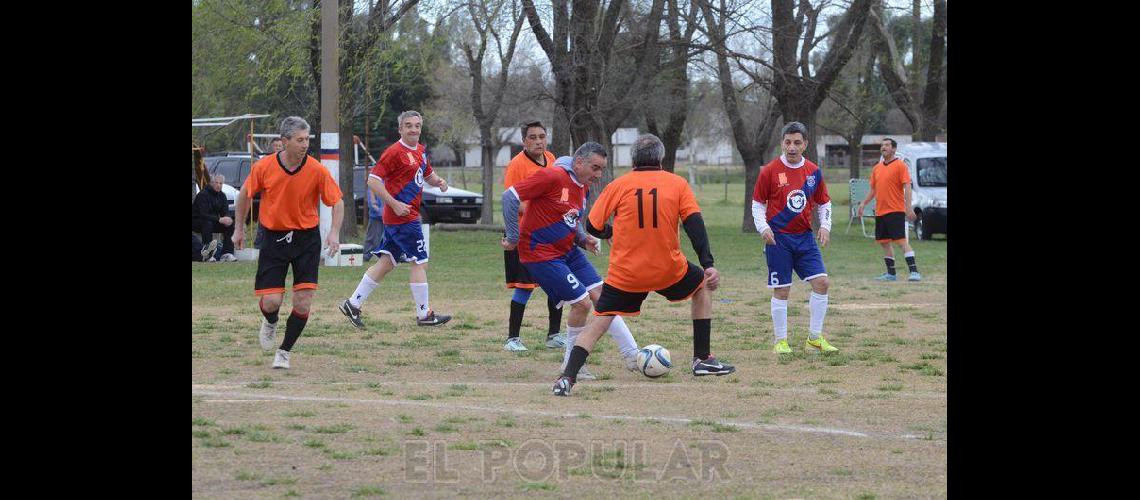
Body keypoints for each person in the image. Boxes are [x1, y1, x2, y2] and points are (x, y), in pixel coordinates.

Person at [552, 134, 733, 396]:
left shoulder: (618, 185)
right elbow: (695, 226)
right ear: (659, 158)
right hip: (669, 270)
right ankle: (702, 359)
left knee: (600, 321)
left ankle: (567, 378)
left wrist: (612, 232)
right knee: (702, 285)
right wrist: (708, 264)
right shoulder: (677, 184)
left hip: (627, 275)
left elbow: (592, 225)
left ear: (633, 159)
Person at [502, 142, 640, 382]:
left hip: (567, 250)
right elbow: (509, 197)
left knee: (604, 297)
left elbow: (569, 217)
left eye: (602, 169)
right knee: (582, 304)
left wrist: (582, 238)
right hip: (540, 252)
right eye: (595, 168)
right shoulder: (552, 176)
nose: (598, 175)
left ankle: (633, 355)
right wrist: (513, 237)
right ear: (578, 163)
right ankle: (571, 365)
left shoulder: (582, 187)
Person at [233, 116, 345, 369]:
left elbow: (337, 202)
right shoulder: (264, 167)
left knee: (303, 300)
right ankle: (270, 320)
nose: (305, 144)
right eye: (299, 140)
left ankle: (284, 351)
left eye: (307, 139)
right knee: (272, 301)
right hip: (274, 238)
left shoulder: (316, 169)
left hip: (306, 239)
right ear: (284, 142)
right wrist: (238, 229)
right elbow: (244, 196)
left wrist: (334, 232)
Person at [339, 111, 452, 329]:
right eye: (408, 125)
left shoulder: (420, 150)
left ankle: (353, 304)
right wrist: (394, 204)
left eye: (417, 125)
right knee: (420, 261)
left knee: (387, 262)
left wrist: (439, 182)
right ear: (400, 129)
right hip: (402, 218)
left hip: (403, 218)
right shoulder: (394, 152)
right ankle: (424, 314)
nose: (413, 129)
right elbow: (373, 180)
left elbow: (426, 174)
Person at [751, 121, 836, 355]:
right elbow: (758, 203)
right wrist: (763, 227)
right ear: (782, 143)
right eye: (787, 142)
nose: (791, 147)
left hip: (805, 239)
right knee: (782, 291)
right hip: (778, 240)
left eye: (797, 142)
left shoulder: (813, 172)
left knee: (822, 284)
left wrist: (825, 226)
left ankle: (815, 339)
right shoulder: (769, 171)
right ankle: (781, 341)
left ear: (805, 144)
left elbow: (824, 202)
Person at [500, 120, 566, 352]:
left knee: (557, 284)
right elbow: (511, 200)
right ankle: (512, 339)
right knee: (525, 287)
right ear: (524, 141)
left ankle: (554, 335)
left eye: (541, 136)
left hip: (550, 234)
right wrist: (539, 212)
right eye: (533, 137)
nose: (538, 141)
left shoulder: (552, 158)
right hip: (526, 235)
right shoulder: (516, 165)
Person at [857, 138, 922, 282]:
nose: (883, 147)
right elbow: (873, 190)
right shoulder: (877, 168)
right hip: (880, 212)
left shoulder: (900, 166)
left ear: (893, 149)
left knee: (901, 241)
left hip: (896, 210)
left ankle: (914, 272)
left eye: (887, 145)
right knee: (884, 242)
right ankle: (891, 274)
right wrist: (863, 203)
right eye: (882, 145)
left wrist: (908, 207)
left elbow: (907, 187)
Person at [192, 173, 237, 262]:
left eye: (220, 183)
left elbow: (225, 212)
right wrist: (219, 219)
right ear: (211, 183)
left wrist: (227, 218)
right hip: (196, 221)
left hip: (213, 221)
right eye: (216, 183)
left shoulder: (222, 196)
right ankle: (208, 252)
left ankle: (227, 253)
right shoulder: (203, 195)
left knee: (231, 224)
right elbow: (203, 214)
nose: (218, 185)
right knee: (207, 223)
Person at [362, 181, 384, 262]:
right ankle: (365, 256)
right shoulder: (374, 183)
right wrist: (381, 211)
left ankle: (399, 256)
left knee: (395, 237)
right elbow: (372, 202)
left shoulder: (391, 181)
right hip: (377, 217)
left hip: (390, 217)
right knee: (373, 239)